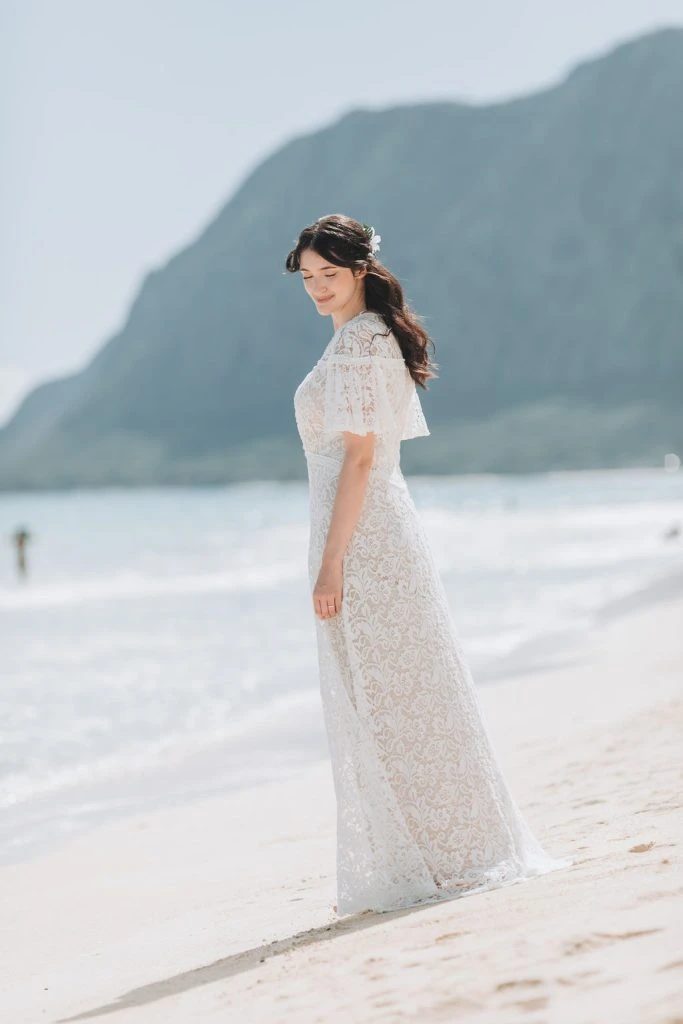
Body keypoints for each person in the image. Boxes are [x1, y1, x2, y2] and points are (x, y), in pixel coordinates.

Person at [288, 213, 573, 917]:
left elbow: (359, 457)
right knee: (395, 700)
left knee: (395, 701)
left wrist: (331, 564)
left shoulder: (360, 344)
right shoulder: (359, 339)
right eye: (308, 277)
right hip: (371, 530)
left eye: (330, 274)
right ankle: (435, 849)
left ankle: (445, 854)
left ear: (360, 270)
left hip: (364, 542)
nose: (318, 288)